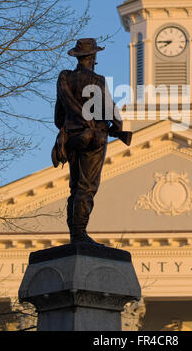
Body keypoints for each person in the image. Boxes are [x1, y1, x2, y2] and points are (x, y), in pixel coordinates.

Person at [53, 38, 130, 244]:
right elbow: (110, 112)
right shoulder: (97, 80)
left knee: (75, 187)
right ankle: (80, 234)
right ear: (94, 57)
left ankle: (74, 234)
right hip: (92, 138)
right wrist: (117, 128)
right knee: (87, 187)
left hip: (71, 138)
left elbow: (58, 118)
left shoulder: (65, 79)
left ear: (78, 57)